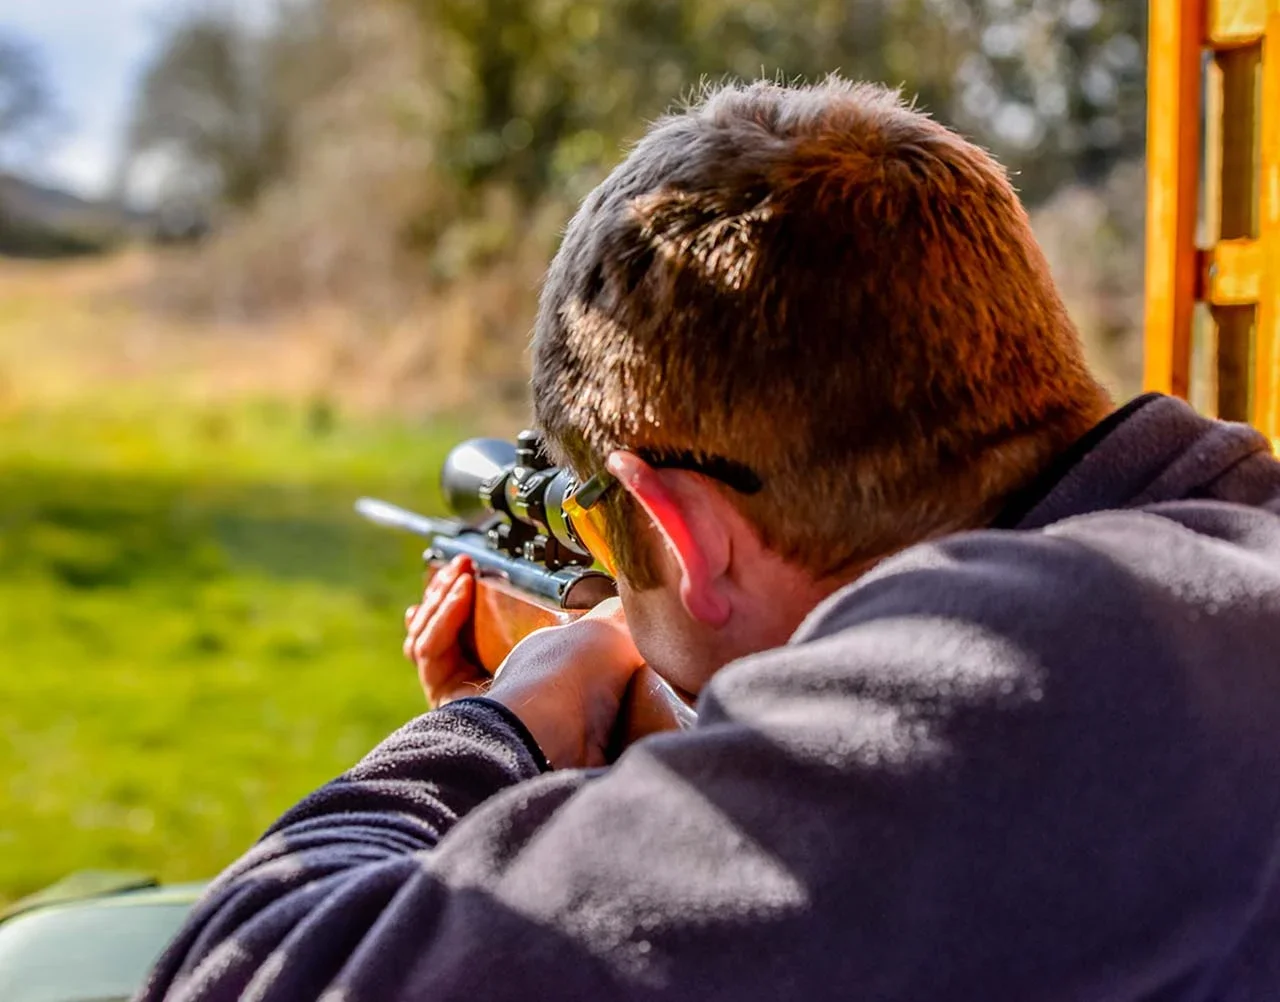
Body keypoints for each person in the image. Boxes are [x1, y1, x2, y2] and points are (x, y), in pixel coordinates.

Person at [140, 78, 1280, 1002]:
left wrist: (513, 720)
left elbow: (243, 974)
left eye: (599, 520)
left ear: (684, 527)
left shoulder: (996, 688)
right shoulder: (1213, 555)